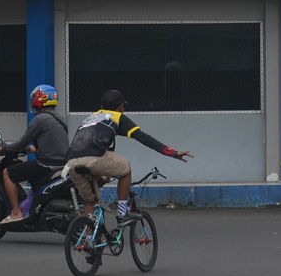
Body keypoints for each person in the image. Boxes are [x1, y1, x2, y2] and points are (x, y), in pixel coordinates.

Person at [64, 90, 193, 226]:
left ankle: (89, 240)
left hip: (72, 162)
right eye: (123, 106)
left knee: (91, 201)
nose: (123, 108)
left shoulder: (89, 118)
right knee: (125, 169)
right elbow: (144, 138)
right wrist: (172, 152)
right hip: (94, 157)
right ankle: (122, 213)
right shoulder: (118, 117)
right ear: (120, 106)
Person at [0, 84, 69, 224]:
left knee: (7, 173)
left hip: (45, 165)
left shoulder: (39, 120)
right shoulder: (61, 120)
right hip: (61, 166)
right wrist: (27, 150)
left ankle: (16, 213)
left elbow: (20, 143)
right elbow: (43, 146)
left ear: (40, 99)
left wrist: (3, 150)